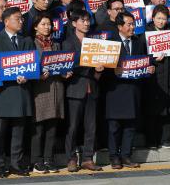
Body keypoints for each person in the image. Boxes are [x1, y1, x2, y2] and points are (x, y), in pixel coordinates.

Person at [0, 7, 35, 178]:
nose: (21, 21)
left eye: (22, 19)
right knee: (0, 133)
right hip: (3, 93)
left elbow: (33, 66)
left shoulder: (27, 40)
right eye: (17, 19)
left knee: (19, 131)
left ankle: (16, 163)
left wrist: (27, 77)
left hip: (22, 91)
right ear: (6, 21)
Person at [107, 11, 155, 169]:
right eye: (129, 24)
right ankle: (114, 157)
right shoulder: (111, 43)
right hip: (115, 90)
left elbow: (145, 61)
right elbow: (101, 66)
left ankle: (126, 156)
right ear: (120, 26)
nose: (132, 27)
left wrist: (150, 68)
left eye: (133, 24)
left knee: (130, 125)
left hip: (133, 90)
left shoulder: (139, 41)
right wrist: (111, 71)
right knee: (114, 126)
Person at [62, 9, 104, 172]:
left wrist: (99, 70)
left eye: (88, 20)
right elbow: (68, 65)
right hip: (75, 88)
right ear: (74, 23)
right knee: (72, 127)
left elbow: (97, 70)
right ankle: (71, 158)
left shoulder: (94, 42)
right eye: (82, 20)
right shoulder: (68, 43)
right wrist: (87, 63)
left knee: (91, 126)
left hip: (91, 88)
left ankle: (87, 158)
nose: (86, 23)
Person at [30, 13, 68, 174]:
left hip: (56, 88)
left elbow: (62, 65)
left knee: (52, 128)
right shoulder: (31, 44)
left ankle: (49, 159)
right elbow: (27, 68)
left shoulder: (56, 45)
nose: (47, 27)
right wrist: (37, 75)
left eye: (49, 24)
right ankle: (36, 160)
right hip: (39, 90)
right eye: (43, 24)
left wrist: (65, 72)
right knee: (38, 129)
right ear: (35, 26)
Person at [143, 5, 170, 149]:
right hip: (153, 77)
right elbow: (141, 54)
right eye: (158, 18)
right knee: (152, 111)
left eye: (164, 18)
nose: (161, 22)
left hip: (169, 76)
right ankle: (151, 140)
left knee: (168, 111)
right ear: (153, 18)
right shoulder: (145, 33)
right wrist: (152, 59)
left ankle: (165, 139)